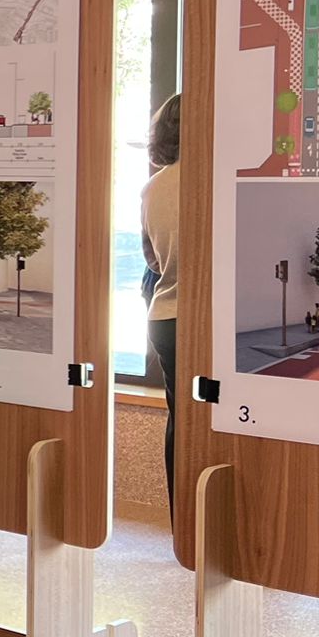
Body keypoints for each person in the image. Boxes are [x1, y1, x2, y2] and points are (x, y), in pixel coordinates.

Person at [140, 93, 181, 518]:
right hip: (202, 322)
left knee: (180, 420)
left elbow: (152, 259)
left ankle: (180, 525)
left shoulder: (153, 188)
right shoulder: (214, 180)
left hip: (165, 317)